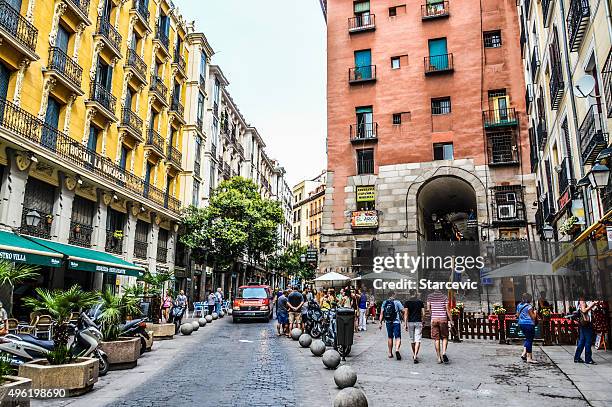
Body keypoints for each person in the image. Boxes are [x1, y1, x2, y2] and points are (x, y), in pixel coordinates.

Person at [427, 289, 453, 364]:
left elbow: (429, 309)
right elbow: (447, 310)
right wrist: (451, 321)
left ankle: (439, 357)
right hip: (443, 319)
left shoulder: (430, 297)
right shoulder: (444, 297)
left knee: (436, 339)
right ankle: (444, 352)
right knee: (445, 337)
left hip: (434, 319)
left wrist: (432, 316)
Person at [379, 291, 404, 360]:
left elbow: (381, 313)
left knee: (390, 337)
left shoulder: (385, 302)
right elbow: (404, 311)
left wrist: (380, 323)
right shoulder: (397, 302)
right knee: (397, 337)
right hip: (396, 322)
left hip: (388, 322)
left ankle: (390, 353)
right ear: (393, 295)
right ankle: (396, 350)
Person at [574, 296, 599, 364]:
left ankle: (577, 357)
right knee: (588, 341)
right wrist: (592, 305)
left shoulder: (584, 299)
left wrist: (594, 304)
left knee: (582, 341)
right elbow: (584, 310)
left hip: (584, 324)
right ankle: (588, 359)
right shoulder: (582, 299)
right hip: (586, 324)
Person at [516, 292, 538, 364]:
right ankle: (529, 358)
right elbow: (533, 317)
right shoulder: (529, 306)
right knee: (529, 340)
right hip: (529, 324)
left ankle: (524, 353)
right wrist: (535, 312)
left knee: (527, 339)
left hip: (521, 324)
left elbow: (517, 315)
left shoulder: (519, 305)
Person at [404, 290, 425, 363]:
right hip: (418, 322)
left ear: (410, 294)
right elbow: (423, 313)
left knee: (412, 340)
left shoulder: (407, 302)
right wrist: (423, 321)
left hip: (410, 322)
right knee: (418, 339)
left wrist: (405, 324)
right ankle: (415, 355)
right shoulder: (420, 302)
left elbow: (406, 314)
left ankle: (414, 354)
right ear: (415, 293)